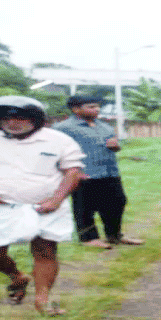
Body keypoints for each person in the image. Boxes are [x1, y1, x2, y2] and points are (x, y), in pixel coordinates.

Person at [0, 96, 85, 316]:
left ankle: (42, 300)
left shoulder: (59, 140)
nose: (13, 123)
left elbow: (73, 171)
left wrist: (56, 200)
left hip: (46, 206)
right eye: (6, 118)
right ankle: (17, 276)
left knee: (45, 251)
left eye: (20, 118)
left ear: (36, 119)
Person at [52, 96, 143, 249]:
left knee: (117, 203)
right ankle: (88, 239)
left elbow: (115, 146)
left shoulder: (104, 126)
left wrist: (116, 147)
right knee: (84, 208)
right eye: (91, 107)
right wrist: (70, 171)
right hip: (83, 174)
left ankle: (114, 236)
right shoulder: (63, 128)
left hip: (109, 172)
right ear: (76, 109)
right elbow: (55, 151)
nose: (96, 109)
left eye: (97, 106)